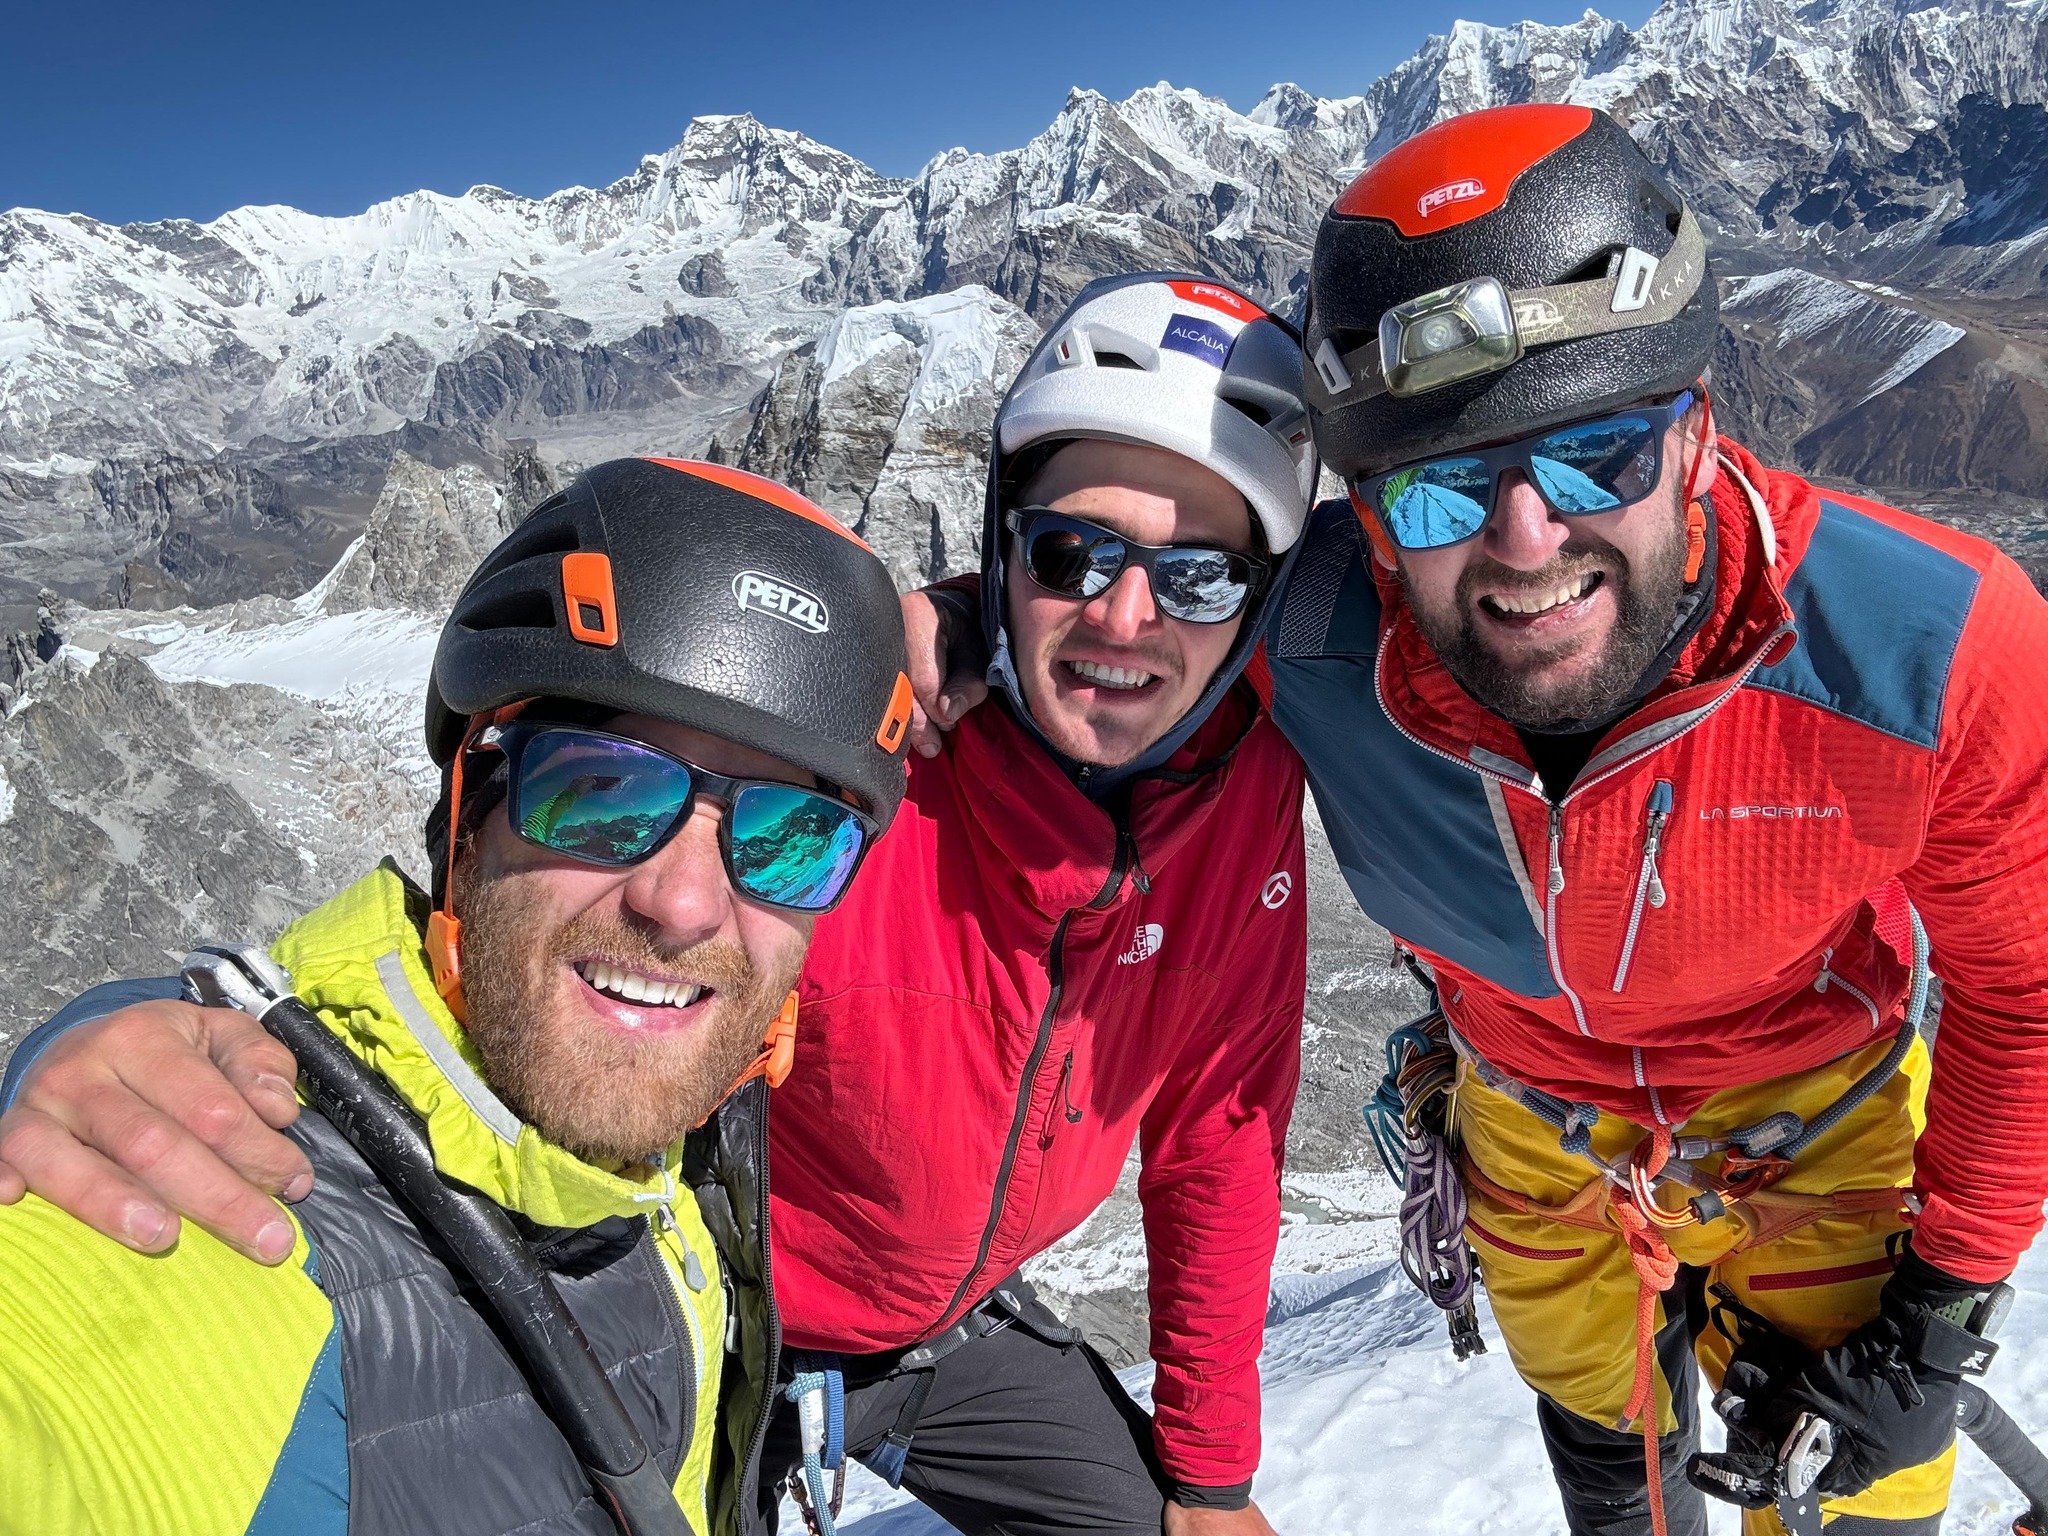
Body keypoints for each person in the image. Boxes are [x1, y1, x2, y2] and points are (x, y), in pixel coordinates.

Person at [0, 274, 1320, 1535]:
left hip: (928, 1329)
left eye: (1200, 576)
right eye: (1071, 553)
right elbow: (489, 1009)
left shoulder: (1245, 790)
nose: (1128, 615)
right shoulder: (868, 765)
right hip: (727, 1299)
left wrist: (1210, 1472)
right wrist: (156, 1026)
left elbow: (1220, 1120)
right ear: (1002, 551)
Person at [1273, 104, 2048, 1535]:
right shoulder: (1306, 645)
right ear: (1369, 520)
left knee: (1867, 1509)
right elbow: (1103, 641)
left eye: (1596, 457)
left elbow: (2028, 995)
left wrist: (1938, 1318)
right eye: (1442, 485)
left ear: (1697, 433)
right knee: (1613, 1481)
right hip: (1530, 1136)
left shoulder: (1930, 656)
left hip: (1818, 1129)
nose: (1526, 543)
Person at [0, 456, 914, 1536]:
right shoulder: (196, 1208)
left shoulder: (671, 1169)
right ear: (465, 821)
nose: (684, 904)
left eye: (788, 839)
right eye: (601, 790)